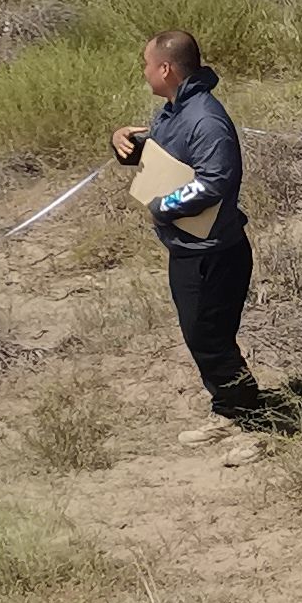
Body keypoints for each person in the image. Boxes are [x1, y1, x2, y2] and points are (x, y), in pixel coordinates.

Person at [111, 28, 262, 421]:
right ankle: (230, 408)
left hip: (214, 255)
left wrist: (164, 206)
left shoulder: (206, 119)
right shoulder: (175, 109)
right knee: (201, 337)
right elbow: (168, 153)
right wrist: (126, 142)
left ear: (165, 68)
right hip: (188, 250)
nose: (143, 72)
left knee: (210, 340)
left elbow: (215, 181)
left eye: (146, 64)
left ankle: (250, 418)